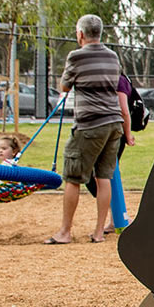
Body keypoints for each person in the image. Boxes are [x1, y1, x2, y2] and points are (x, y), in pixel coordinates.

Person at [44, 15, 123, 245]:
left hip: (90, 124)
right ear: (100, 33)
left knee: (73, 177)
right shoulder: (112, 55)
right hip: (113, 123)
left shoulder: (76, 56)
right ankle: (99, 232)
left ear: (80, 35)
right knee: (104, 177)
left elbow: (65, 86)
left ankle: (65, 232)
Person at [85, 73, 136, 234]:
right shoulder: (103, 79)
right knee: (99, 176)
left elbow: (124, 110)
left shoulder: (119, 80)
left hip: (114, 133)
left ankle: (117, 219)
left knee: (104, 175)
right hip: (101, 132)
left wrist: (127, 134)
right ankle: (116, 217)